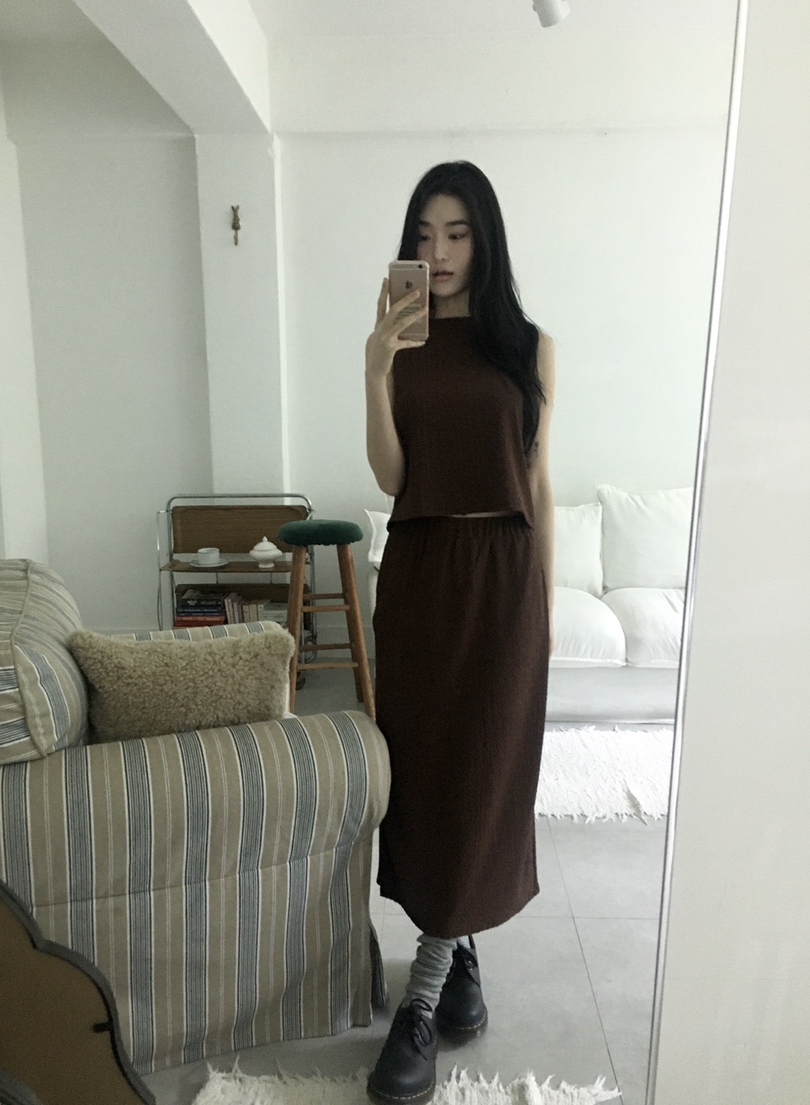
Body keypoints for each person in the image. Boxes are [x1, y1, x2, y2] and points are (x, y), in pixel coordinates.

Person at [364, 160, 555, 1105]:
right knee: (430, 775)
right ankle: (461, 951)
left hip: (504, 579)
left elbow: (539, 480)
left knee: (483, 772)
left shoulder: (529, 347)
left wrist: (545, 605)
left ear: (486, 238)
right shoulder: (399, 341)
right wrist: (374, 366)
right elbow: (392, 476)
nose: (437, 252)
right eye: (424, 233)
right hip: (422, 575)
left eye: (457, 232)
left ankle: (424, 996)